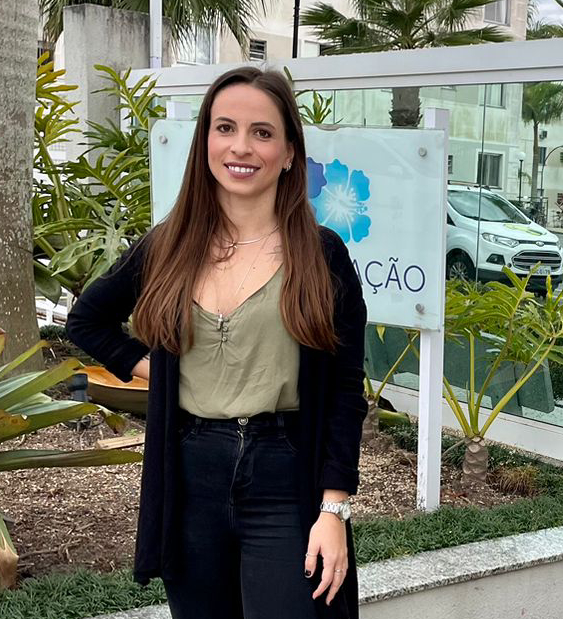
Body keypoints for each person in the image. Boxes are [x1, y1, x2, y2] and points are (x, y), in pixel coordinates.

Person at [66, 67, 367, 619]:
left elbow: (346, 391)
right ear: (205, 140)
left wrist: (334, 510)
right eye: (225, 127)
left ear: (289, 153)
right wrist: (160, 373)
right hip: (191, 473)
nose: (240, 147)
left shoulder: (321, 255)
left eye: (262, 132)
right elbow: (87, 321)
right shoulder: (170, 245)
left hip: (284, 474)